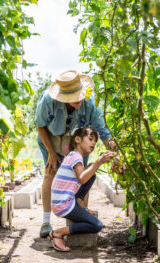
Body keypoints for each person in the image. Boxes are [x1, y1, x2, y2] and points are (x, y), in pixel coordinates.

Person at [35, 70, 116, 238]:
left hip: (77, 140)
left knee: (84, 175)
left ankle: (82, 214)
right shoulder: (48, 100)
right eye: (73, 96)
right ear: (63, 96)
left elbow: (103, 131)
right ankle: (45, 221)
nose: (79, 99)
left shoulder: (89, 102)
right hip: (51, 137)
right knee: (50, 172)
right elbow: (40, 125)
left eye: (79, 94)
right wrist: (50, 151)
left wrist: (116, 154)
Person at [48, 127, 114, 251]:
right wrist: (98, 162)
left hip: (63, 202)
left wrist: (94, 165)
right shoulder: (76, 156)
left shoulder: (73, 156)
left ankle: (79, 204)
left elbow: (84, 178)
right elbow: (82, 179)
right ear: (77, 139)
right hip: (64, 205)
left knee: (91, 175)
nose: (93, 143)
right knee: (96, 225)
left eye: (95, 141)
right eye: (90, 139)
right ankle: (58, 233)